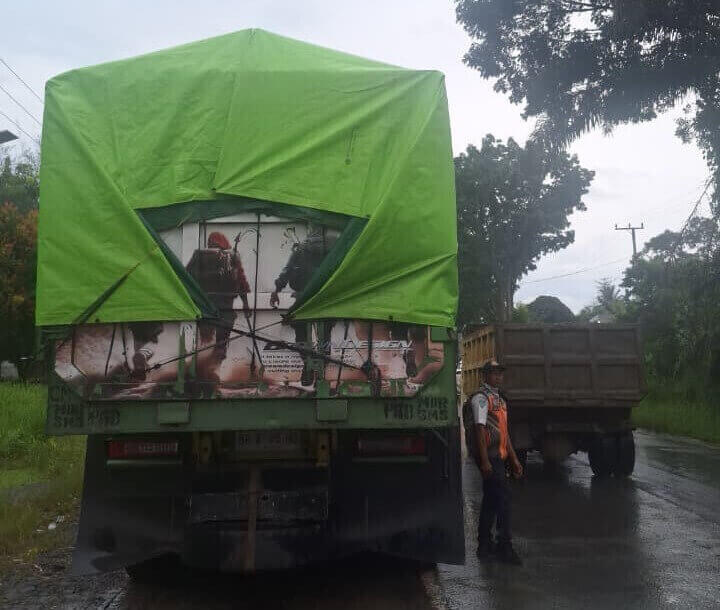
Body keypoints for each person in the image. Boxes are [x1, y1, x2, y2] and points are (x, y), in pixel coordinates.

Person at [464, 359, 524, 565]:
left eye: (500, 373)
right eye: (494, 373)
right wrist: (484, 461)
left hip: (498, 456)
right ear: (485, 376)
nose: (498, 377)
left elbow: (504, 434)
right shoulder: (481, 399)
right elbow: (480, 430)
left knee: (491, 499)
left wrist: (514, 459)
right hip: (489, 457)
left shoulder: (499, 400)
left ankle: (484, 545)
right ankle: (504, 547)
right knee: (504, 499)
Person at [270, 226, 336, 386]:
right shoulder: (333, 249)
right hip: (325, 300)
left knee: (301, 335)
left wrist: (276, 290)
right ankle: (320, 373)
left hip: (302, 298)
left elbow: (286, 272)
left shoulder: (300, 249)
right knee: (324, 337)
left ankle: (307, 366)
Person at [186, 231, 251, 364]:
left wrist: (245, 304)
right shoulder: (227, 256)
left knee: (213, 334)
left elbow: (187, 277)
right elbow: (241, 280)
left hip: (211, 303)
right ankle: (217, 350)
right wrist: (245, 304)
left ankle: (215, 351)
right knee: (218, 329)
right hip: (216, 304)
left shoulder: (203, 255)